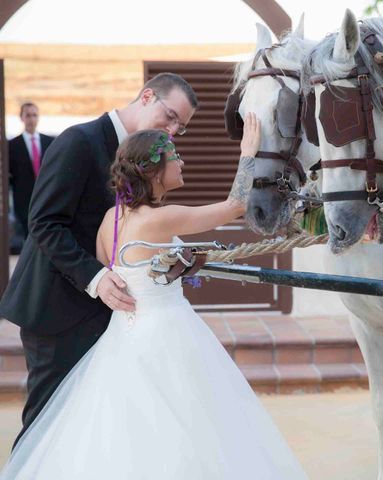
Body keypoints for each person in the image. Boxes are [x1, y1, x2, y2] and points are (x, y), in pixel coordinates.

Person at [0, 117, 307, 479]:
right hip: (166, 332)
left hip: (123, 336)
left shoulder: (111, 219)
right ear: (155, 171)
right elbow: (236, 205)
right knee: (191, 421)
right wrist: (247, 153)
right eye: (174, 155)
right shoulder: (158, 219)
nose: (182, 162)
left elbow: (118, 272)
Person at [0, 73, 198, 447]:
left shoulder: (144, 154)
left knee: (89, 432)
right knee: (47, 427)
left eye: (180, 127)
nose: (172, 130)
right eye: (170, 116)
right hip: (54, 311)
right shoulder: (79, 141)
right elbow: (44, 223)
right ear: (147, 96)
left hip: (108, 317)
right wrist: (96, 278)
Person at [8, 102, 55, 249]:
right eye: (27, 115)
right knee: (28, 238)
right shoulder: (12, 145)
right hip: (23, 200)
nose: (31, 119)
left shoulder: (49, 142)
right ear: (21, 118)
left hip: (46, 197)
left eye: (34, 115)